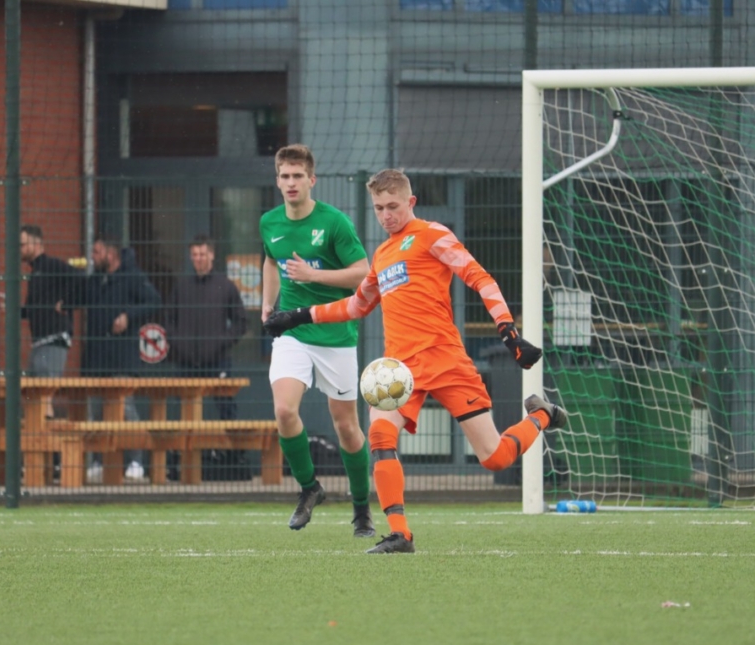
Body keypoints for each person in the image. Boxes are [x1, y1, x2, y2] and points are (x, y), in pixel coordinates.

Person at [265, 168, 567, 554]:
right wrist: (299, 315)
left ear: (411, 202)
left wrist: (507, 330)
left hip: (446, 360)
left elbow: (479, 277)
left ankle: (541, 415)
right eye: (378, 208)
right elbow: (358, 305)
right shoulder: (383, 253)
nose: (386, 214)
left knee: (495, 458)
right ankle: (399, 534)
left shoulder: (432, 234)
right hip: (399, 370)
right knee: (379, 435)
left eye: (393, 206)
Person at [260, 143, 375, 537]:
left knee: (346, 426)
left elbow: (363, 273)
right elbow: (270, 260)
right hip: (293, 331)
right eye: (284, 176)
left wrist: (315, 276)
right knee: (285, 411)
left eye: (298, 176)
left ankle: (361, 508)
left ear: (312, 180)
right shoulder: (269, 222)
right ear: (277, 181)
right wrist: (266, 304)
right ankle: (309, 488)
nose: (291, 183)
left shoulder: (335, 223)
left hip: (336, 332)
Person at [79, 234, 161, 480]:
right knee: (94, 411)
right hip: (96, 358)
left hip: (122, 357)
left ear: (110, 254)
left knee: (126, 409)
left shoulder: (132, 276)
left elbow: (154, 301)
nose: (92, 257)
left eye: (96, 252)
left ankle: (136, 461)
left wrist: (128, 316)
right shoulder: (96, 280)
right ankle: (96, 462)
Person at [167, 233, 247, 479]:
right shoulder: (182, 287)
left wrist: (223, 341)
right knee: (185, 413)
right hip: (187, 362)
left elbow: (241, 322)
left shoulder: (226, 285)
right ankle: (180, 465)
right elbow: (168, 321)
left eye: (202, 254)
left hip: (218, 360)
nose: (198, 259)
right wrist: (178, 343)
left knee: (226, 410)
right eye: (194, 255)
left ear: (211, 255)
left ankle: (236, 463)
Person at [17, 225, 83, 416]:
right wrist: (15, 311)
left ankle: (48, 442)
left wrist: (67, 303)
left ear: (36, 244)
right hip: (40, 341)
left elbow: (80, 279)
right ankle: (40, 439)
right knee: (32, 394)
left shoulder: (51, 266)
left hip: (54, 339)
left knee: (43, 392)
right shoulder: (35, 273)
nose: (19, 249)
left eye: (22, 244)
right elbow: (33, 310)